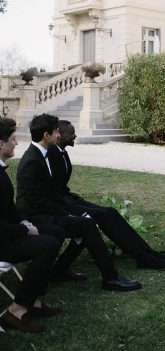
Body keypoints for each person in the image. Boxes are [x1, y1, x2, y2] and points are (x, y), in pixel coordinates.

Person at [16, 114, 141, 292]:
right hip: (35, 216)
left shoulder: (43, 154)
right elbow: (34, 202)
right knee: (87, 224)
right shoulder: (32, 160)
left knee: (86, 223)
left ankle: (60, 270)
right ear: (46, 135)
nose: (59, 135)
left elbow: (51, 193)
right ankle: (110, 277)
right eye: (56, 132)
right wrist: (65, 213)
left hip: (46, 211)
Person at [47, 119, 165, 270]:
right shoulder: (52, 154)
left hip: (69, 200)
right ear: (60, 135)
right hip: (62, 205)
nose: (75, 136)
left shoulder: (62, 153)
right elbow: (53, 189)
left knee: (111, 212)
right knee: (104, 216)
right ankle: (143, 257)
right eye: (71, 133)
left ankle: (147, 252)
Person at [0, 118, 64, 333]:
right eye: (13, 139)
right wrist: (25, 229)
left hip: (7, 234)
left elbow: (9, 209)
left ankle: (33, 301)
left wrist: (24, 222)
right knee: (47, 245)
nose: (16, 143)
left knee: (56, 232)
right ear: (1, 144)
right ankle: (16, 310)